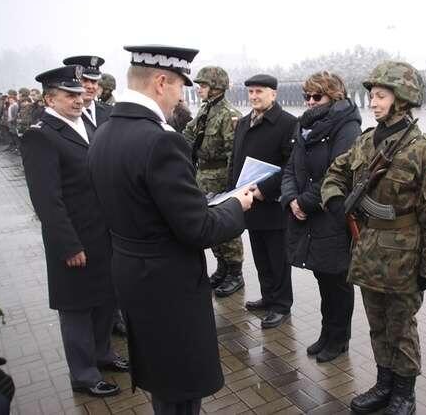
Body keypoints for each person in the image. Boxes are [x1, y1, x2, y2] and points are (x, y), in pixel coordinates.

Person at [88, 45, 253, 414]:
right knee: (180, 388)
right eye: (180, 86)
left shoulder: (104, 131)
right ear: (161, 82)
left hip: (132, 274)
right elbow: (198, 229)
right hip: (169, 285)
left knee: (161, 378)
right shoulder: (161, 140)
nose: (182, 96)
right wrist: (237, 205)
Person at [322, 61, 426, 415]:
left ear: (402, 98)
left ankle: (404, 392)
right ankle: (384, 384)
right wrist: (335, 200)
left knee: (401, 327)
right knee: (377, 325)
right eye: (372, 96)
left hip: (404, 257)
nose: (373, 102)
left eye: (381, 96)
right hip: (368, 250)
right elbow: (336, 171)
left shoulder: (423, 149)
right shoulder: (367, 141)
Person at [20, 65, 128, 398]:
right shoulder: (41, 135)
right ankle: (83, 374)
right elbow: (47, 200)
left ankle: (103, 354)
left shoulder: (88, 124)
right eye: (69, 95)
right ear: (49, 99)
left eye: (79, 94)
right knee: (77, 309)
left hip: (103, 235)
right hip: (74, 239)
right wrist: (68, 245)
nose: (78, 100)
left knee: (105, 299)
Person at [281, 71, 361, 362]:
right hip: (309, 216)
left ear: (334, 96)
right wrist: (291, 199)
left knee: (337, 281)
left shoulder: (347, 127)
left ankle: (339, 339)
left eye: (317, 96)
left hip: (331, 214)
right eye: (307, 96)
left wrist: (304, 202)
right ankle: (327, 333)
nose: (310, 102)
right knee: (323, 278)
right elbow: (291, 168)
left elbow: (336, 174)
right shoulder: (304, 125)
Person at [229, 74, 296, 329]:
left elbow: (292, 165)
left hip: (272, 204)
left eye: (259, 91)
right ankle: (268, 297)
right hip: (249, 202)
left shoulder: (287, 123)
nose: (254, 96)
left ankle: (281, 305)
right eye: (251, 92)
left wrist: (265, 189)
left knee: (278, 258)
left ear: (273, 94)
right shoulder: (243, 123)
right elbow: (235, 160)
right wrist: (232, 191)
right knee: (260, 256)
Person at [183, 66, 245, 296]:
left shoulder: (229, 114)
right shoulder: (205, 110)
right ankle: (222, 267)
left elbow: (233, 153)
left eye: (203, 85)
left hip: (221, 179)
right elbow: (189, 135)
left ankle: (235, 273)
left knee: (227, 226)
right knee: (211, 224)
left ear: (217, 87)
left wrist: (231, 186)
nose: (199, 89)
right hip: (203, 177)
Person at [63, 56, 112, 133]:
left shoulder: (110, 112)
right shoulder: (65, 112)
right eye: (85, 80)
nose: (90, 86)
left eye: (94, 81)